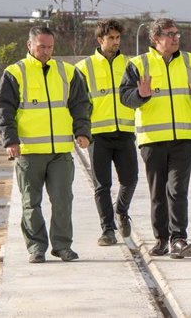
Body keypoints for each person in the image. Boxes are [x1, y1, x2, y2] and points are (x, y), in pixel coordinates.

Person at [120, 18, 191, 259]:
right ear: (155, 39)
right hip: (152, 139)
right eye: (169, 34)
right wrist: (140, 95)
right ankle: (161, 239)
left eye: (177, 34)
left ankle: (179, 239)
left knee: (177, 189)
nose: (175, 38)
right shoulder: (138, 64)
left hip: (183, 137)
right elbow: (125, 96)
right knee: (157, 192)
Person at [0, 26, 91, 263]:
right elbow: (4, 109)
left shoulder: (67, 72)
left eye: (50, 47)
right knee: (31, 203)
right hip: (29, 151)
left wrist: (82, 131)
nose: (46, 51)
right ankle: (36, 248)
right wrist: (10, 140)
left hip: (60, 151)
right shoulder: (15, 72)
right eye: (41, 47)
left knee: (62, 200)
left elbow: (80, 104)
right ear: (29, 45)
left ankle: (62, 246)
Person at [76, 19, 138, 247]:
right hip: (98, 135)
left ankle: (121, 210)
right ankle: (108, 230)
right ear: (100, 40)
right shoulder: (84, 68)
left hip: (125, 131)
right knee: (102, 185)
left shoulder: (131, 64)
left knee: (130, 180)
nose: (115, 42)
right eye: (111, 38)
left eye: (118, 37)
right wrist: (80, 130)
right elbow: (79, 103)